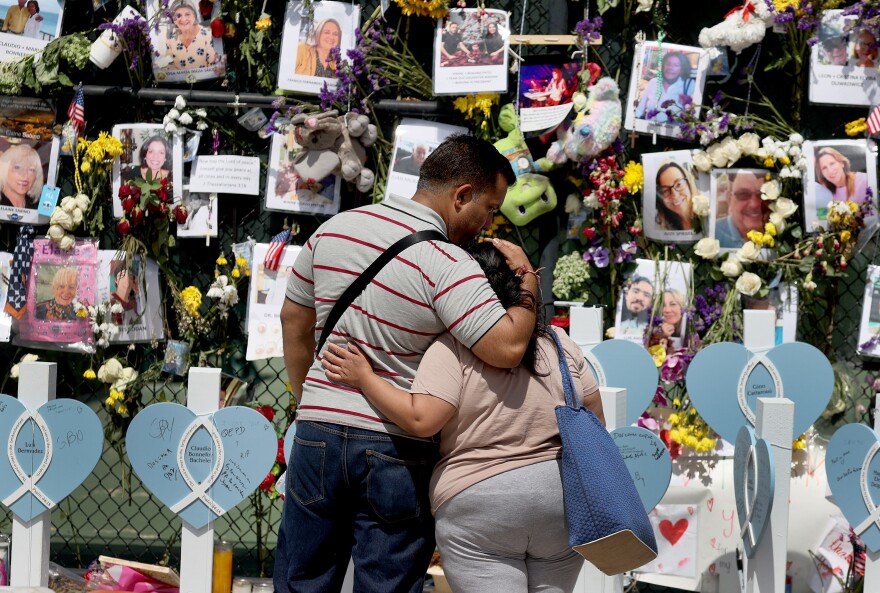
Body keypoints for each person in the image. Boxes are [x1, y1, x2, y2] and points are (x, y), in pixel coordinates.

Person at [274, 134, 532, 593]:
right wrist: (528, 281)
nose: (489, 222)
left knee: (302, 580)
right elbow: (507, 348)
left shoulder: (334, 229)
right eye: (490, 209)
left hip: (316, 433)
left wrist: (307, 398)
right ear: (462, 195)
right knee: (389, 584)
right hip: (395, 445)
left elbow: (294, 317)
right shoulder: (448, 262)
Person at [321, 241, 603, 593]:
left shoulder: (452, 347)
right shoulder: (559, 343)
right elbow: (594, 419)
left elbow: (423, 420)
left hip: (480, 502)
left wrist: (365, 378)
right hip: (560, 503)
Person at [635, 51, 693, 124]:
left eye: (676, 65)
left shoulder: (689, 85)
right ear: (663, 66)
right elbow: (640, 110)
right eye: (668, 64)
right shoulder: (653, 82)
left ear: (682, 69)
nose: (670, 68)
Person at [715, 170, 769, 248]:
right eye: (743, 194)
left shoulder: (781, 234)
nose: (754, 204)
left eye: (762, 195)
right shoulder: (713, 233)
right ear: (729, 199)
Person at [164, 0, 218, 71]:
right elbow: (169, 65)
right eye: (178, 15)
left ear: (194, 16)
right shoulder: (170, 37)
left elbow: (213, 62)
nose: (183, 19)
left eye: (187, 14)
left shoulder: (206, 33)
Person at [654, 161, 696, 231]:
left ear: (689, 183)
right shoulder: (662, 228)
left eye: (679, 184)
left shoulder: (707, 215)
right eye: (665, 190)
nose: (675, 195)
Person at [0, 144, 43, 209]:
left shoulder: (41, 207)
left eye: (31, 170)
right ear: (4, 170)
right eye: (17, 167)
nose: (24, 176)